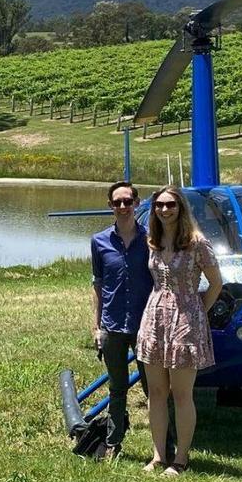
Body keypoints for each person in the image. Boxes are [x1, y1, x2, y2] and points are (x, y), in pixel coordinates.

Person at [135, 186, 223, 476]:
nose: (164, 210)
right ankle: (159, 455)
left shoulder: (197, 243)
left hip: (186, 321)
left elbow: (216, 284)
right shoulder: (153, 241)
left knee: (181, 393)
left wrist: (198, 312)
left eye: (170, 204)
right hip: (154, 319)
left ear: (181, 207)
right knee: (157, 392)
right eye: (159, 205)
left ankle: (181, 458)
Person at [90, 180, 155, 461]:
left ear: (137, 203)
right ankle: (112, 443)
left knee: (154, 389)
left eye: (127, 201)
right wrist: (96, 327)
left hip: (145, 327)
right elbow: (98, 285)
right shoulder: (99, 241)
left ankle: (163, 446)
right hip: (113, 326)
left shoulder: (151, 240)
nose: (122, 206)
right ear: (110, 206)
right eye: (117, 202)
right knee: (117, 388)